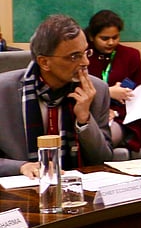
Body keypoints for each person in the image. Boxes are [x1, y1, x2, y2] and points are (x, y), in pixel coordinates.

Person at [0, 14, 113, 177]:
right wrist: (21, 166)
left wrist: (84, 120)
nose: (85, 63)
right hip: (19, 192)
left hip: (77, 190)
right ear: (44, 62)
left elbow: (104, 159)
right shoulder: (3, 91)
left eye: (85, 53)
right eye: (75, 56)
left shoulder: (97, 90)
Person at [85, 10, 141, 151]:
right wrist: (108, 92)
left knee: (101, 140)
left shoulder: (131, 56)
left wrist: (116, 113)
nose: (111, 42)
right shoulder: (83, 56)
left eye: (115, 37)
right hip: (90, 115)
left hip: (122, 118)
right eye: (105, 38)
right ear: (92, 36)